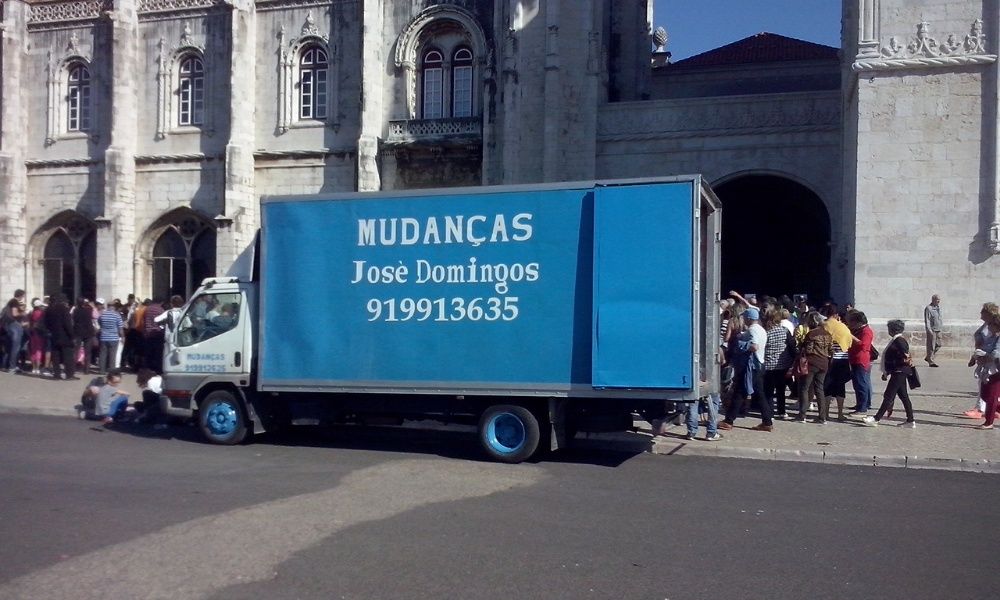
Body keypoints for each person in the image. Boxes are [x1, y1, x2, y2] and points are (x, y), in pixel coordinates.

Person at [718, 306, 773, 432]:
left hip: (751, 366)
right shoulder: (761, 329)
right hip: (760, 364)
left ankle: (728, 420)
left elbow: (754, 346)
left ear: (748, 318)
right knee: (759, 394)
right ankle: (767, 422)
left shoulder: (752, 330)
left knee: (739, 392)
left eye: (744, 317)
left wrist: (740, 343)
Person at [862, 319, 916, 427]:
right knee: (904, 396)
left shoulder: (899, 341)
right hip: (898, 371)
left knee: (889, 395)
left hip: (899, 371)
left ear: (893, 329)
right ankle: (910, 420)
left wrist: (890, 370)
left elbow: (904, 356)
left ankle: (876, 418)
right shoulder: (897, 340)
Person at [964, 303, 999, 419]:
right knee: (988, 385)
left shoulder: (992, 326)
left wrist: (981, 356)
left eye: (982, 311)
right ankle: (994, 408)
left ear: (988, 313)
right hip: (984, 359)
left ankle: (980, 409)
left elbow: (990, 345)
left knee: (985, 383)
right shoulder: (987, 325)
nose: (980, 314)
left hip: (990, 361)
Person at [796, 311, 832, 423]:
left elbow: (808, 350)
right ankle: (822, 417)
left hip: (812, 363)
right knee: (819, 389)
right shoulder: (827, 334)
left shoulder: (811, 334)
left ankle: (802, 415)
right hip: (824, 363)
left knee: (805, 388)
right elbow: (831, 350)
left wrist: (802, 345)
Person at [821, 305, 853, 422]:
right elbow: (849, 342)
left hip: (828, 358)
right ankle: (840, 413)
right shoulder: (843, 327)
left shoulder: (823, 325)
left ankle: (826, 413)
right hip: (843, 359)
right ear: (836, 315)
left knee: (827, 386)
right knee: (840, 386)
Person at [762, 307, 795, 419]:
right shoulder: (784, 331)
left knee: (769, 391)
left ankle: (769, 413)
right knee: (781, 389)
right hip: (783, 364)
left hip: (768, 364)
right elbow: (792, 346)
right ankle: (782, 411)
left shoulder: (766, 332)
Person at [973, 311, 1000, 429]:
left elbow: (995, 354)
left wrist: (984, 356)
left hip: (996, 370)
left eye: (991, 325)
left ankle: (989, 422)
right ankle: (994, 409)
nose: (988, 327)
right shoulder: (991, 337)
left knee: (992, 396)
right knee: (984, 394)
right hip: (987, 369)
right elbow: (982, 346)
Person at [845, 310, 875, 416]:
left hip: (861, 359)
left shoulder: (866, 331)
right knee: (858, 384)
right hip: (855, 359)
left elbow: (864, 345)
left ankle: (862, 408)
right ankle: (861, 404)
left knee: (861, 384)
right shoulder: (859, 330)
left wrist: (852, 337)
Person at [44, 295, 77, 380]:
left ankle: (57, 374)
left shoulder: (49, 309)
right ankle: (69, 375)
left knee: (55, 356)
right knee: (68, 357)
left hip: (54, 335)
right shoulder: (64, 309)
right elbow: (67, 324)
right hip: (65, 336)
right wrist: (72, 335)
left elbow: (46, 323)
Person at [96, 298, 125, 374]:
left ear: (108, 306)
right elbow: (120, 328)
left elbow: (99, 323)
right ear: (114, 306)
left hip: (103, 337)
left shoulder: (102, 315)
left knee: (102, 354)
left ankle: (102, 370)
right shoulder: (117, 315)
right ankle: (111, 370)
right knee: (112, 354)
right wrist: (123, 337)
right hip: (114, 337)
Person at [2, 289, 26, 373]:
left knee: (9, 346)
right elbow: (15, 314)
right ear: (21, 295)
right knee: (16, 347)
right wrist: (22, 313)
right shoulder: (15, 302)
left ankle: (4, 365)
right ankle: (12, 367)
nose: (23, 297)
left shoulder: (10, 302)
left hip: (7, 325)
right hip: (13, 324)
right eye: (23, 295)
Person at [72, 297, 97, 374]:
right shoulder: (88, 310)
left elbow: (72, 320)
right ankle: (87, 369)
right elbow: (96, 316)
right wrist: (93, 307)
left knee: (76, 351)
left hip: (78, 332)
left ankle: (73, 368)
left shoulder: (75, 311)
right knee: (88, 352)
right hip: (88, 332)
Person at [27, 298, 49, 375]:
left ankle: (34, 368)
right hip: (39, 333)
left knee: (33, 351)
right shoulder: (41, 313)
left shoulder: (31, 313)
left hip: (32, 333)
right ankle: (38, 368)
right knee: (39, 350)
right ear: (39, 306)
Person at [923, 294, 942, 367]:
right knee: (931, 346)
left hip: (938, 329)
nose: (938, 301)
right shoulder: (928, 308)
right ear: (933, 300)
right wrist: (929, 329)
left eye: (939, 300)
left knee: (939, 344)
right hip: (932, 329)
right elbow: (927, 320)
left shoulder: (938, 308)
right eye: (937, 299)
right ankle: (931, 361)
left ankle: (928, 357)